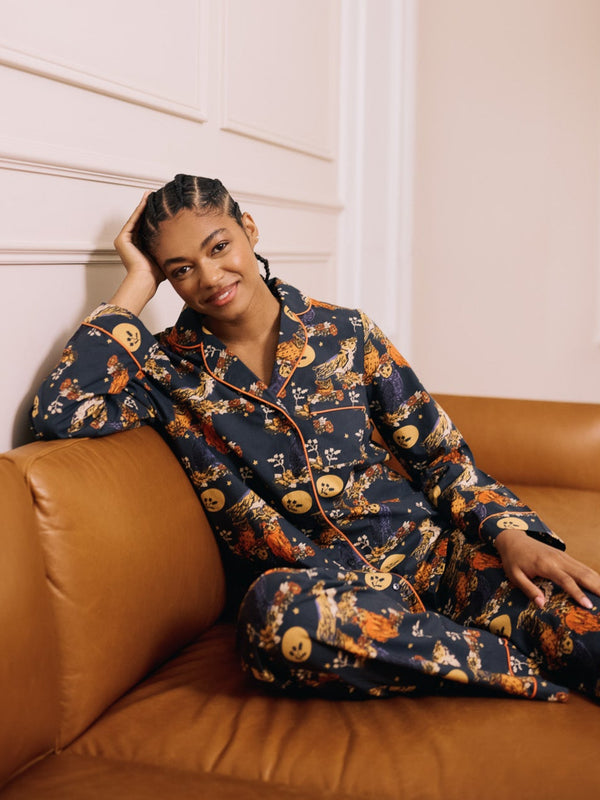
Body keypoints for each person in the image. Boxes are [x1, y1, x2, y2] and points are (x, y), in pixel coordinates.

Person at [31, 174, 600, 702]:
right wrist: (135, 281)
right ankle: (518, 671)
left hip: (442, 561)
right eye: (179, 269)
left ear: (248, 230)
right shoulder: (163, 372)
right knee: (274, 622)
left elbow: (441, 458)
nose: (207, 277)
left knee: (584, 621)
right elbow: (59, 412)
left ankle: (449, 650)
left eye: (218, 246)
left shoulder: (346, 332)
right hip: (330, 595)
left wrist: (511, 534)